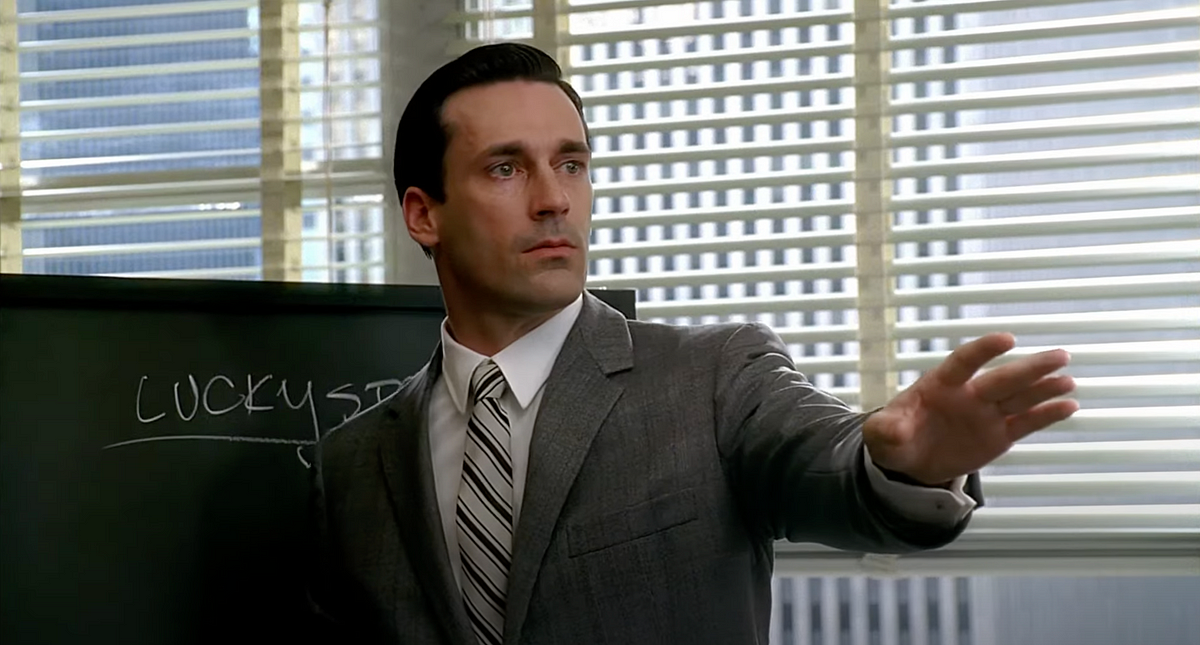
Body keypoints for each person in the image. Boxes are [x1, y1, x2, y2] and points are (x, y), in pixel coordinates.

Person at [306, 43, 1079, 645]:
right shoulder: (350, 466)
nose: (554, 199)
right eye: (506, 168)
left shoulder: (713, 378)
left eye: (571, 163)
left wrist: (907, 466)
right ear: (424, 215)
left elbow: (828, 467)